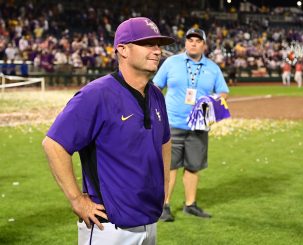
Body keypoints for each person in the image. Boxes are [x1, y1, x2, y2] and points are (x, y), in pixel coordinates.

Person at [42, 17, 174, 245]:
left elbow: (164, 143)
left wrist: (162, 191)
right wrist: (77, 200)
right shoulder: (97, 94)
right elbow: (54, 144)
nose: (157, 50)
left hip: (149, 220)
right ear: (122, 50)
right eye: (148, 44)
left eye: (158, 45)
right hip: (109, 227)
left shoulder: (156, 95)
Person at [153, 28, 229, 222]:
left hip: (199, 126)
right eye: (190, 40)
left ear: (204, 45)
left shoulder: (213, 68)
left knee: (193, 166)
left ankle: (190, 205)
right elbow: (155, 87)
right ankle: (164, 206)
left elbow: (222, 92)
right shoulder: (171, 62)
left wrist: (211, 105)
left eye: (198, 40)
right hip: (172, 123)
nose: (193, 43)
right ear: (185, 43)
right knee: (169, 167)